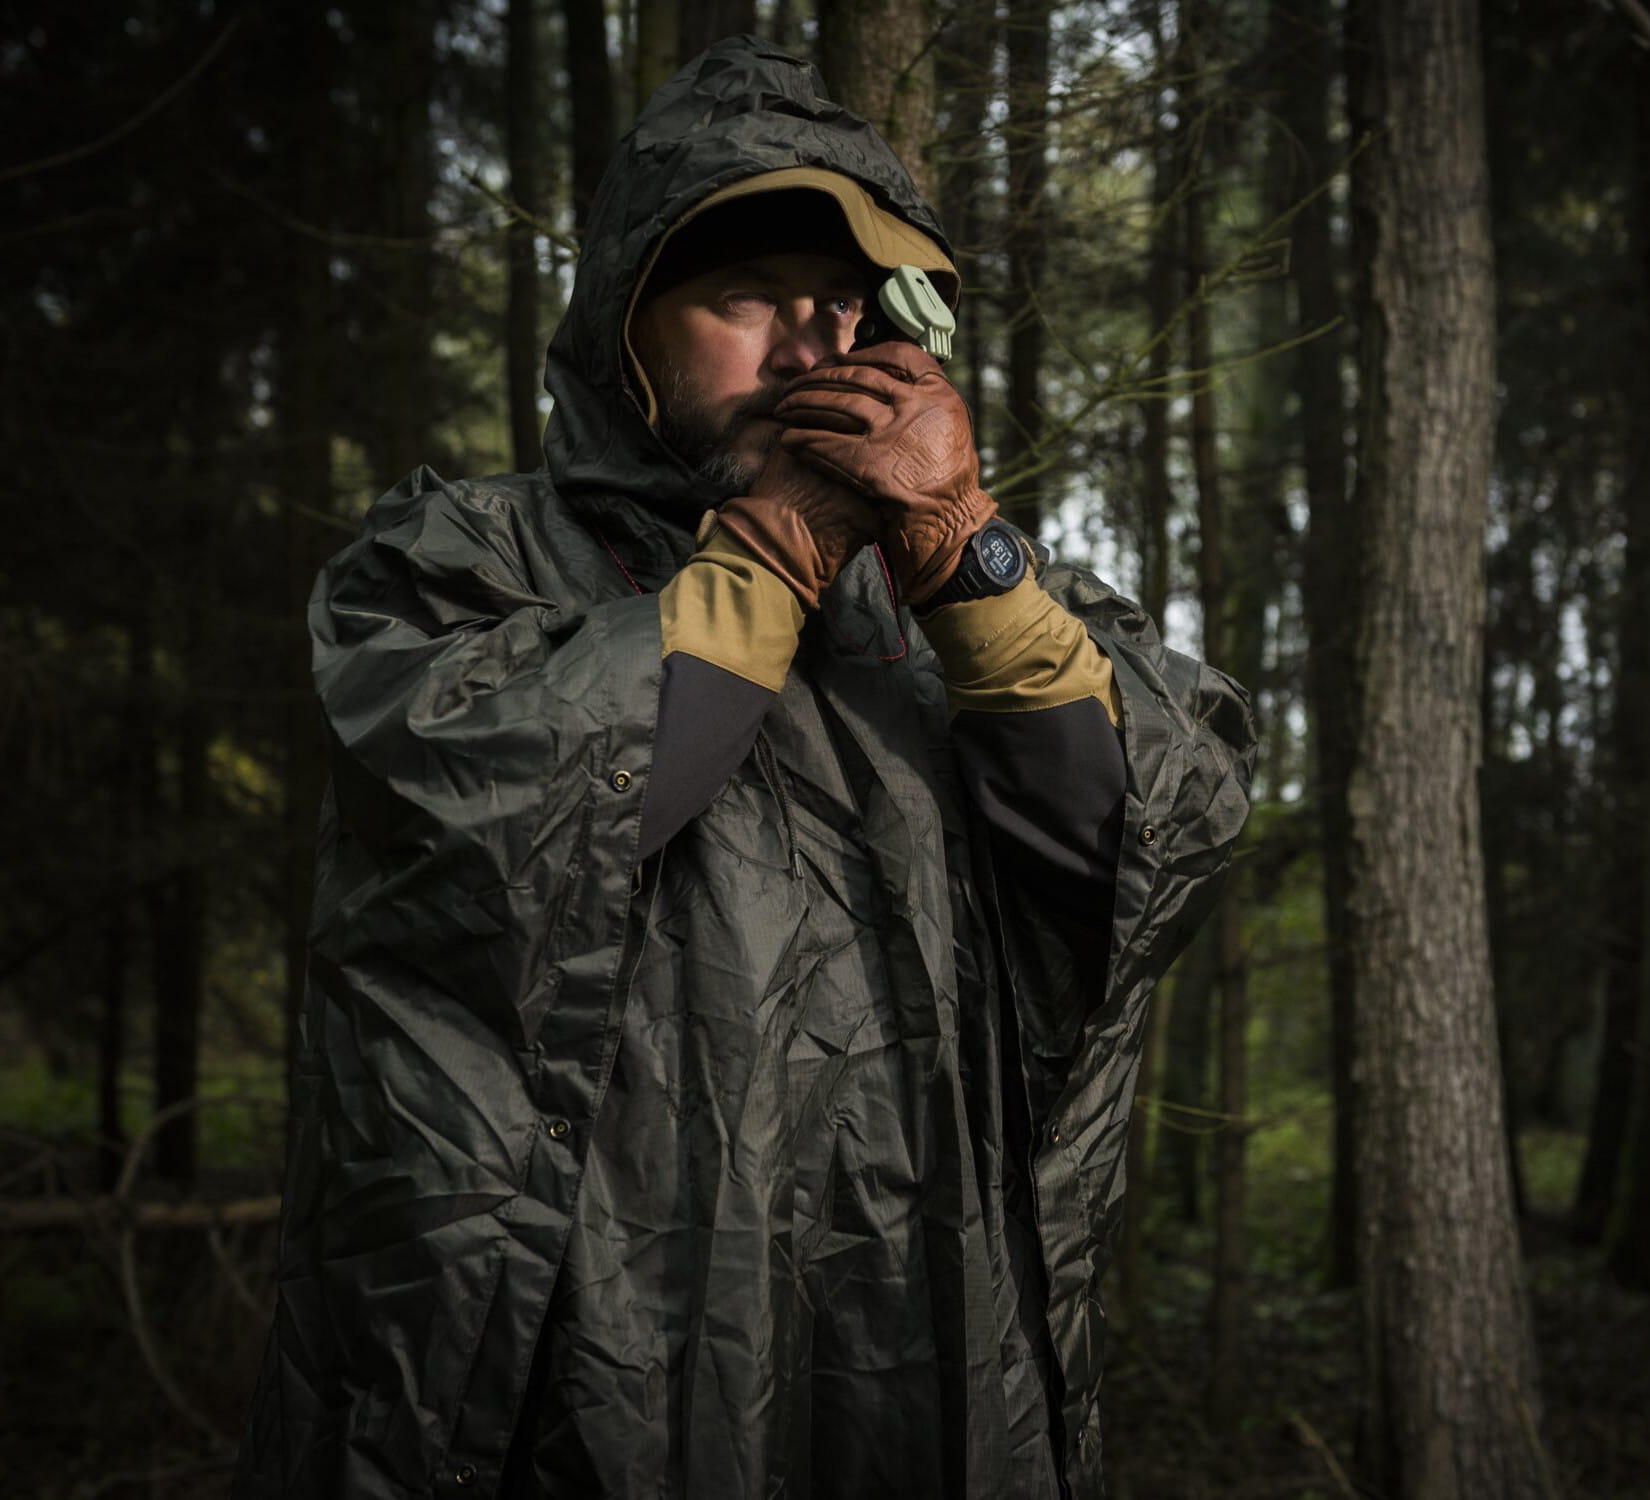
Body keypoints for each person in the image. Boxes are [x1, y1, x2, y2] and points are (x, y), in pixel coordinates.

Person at [235, 34, 1254, 1500]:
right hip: (579, 1366)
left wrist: (964, 561)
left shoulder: (964, 586)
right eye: (746, 300)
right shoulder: (459, 563)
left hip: (930, 1337)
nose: (807, 350)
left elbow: (1139, 850)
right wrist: (766, 558)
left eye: (841, 305)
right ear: (626, 324)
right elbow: (515, 821)